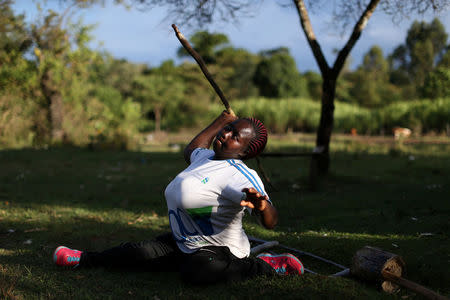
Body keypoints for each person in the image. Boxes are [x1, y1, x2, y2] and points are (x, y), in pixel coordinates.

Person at [53, 111, 304, 284]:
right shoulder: (206, 157)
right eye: (228, 130)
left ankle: (264, 266)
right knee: (139, 252)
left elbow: (271, 221)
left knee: (196, 271)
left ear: (246, 151)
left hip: (219, 252)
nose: (225, 135)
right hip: (184, 241)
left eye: (234, 137)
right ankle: (83, 259)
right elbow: (191, 150)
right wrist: (220, 121)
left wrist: (261, 205)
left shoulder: (239, 175)